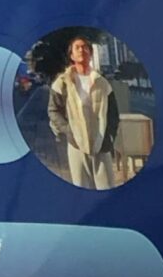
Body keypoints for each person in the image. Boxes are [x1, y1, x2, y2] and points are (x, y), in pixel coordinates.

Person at [48, 31, 120, 189]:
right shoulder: (63, 82)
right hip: (76, 144)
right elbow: (53, 111)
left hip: (101, 144)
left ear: (91, 54)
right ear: (71, 55)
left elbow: (113, 114)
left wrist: (109, 137)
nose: (82, 50)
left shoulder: (102, 83)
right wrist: (69, 130)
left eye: (85, 47)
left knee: (106, 187)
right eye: (77, 47)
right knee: (81, 188)